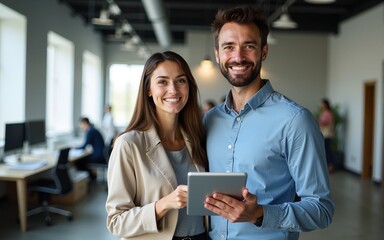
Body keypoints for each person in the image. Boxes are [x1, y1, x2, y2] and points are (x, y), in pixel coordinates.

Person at [202, 5, 335, 240]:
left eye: (249, 46)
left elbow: (321, 209)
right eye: (229, 47)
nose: (238, 56)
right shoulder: (210, 120)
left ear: (263, 52)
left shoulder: (295, 121)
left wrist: (261, 213)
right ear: (217, 54)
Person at [105, 51, 209, 240]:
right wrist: (163, 205)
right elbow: (116, 222)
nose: (173, 90)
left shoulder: (197, 138)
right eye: (162, 82)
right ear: (148, 89)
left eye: (180, 81)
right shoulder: (129, 144)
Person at [318, 98, 335, 173]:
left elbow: (327, 123)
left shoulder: (328, 113)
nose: (320, 105)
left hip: (327, 134)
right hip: (323, 133)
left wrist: (320, 122)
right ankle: (327, 166)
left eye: (322, 103)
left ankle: (330, 167)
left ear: (325, 105)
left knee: (327, 150)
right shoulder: (323, 112)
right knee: (325, 150)